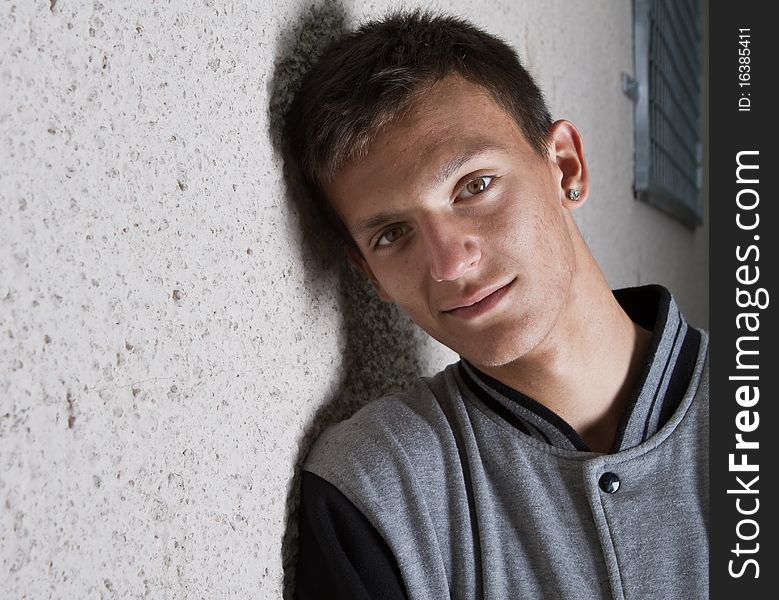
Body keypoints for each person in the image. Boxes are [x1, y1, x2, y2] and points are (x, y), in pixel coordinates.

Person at [284, 11, 708, 600]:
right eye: (393, 234)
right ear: (369, 275)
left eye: (474, 186)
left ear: (565, 167)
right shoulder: (375, 486)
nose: (449, 264)